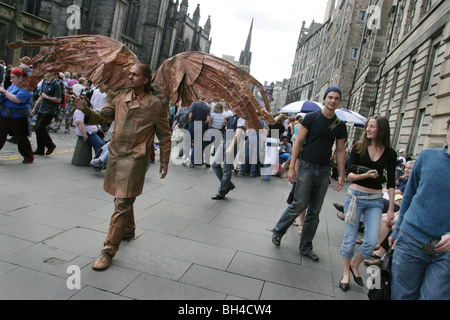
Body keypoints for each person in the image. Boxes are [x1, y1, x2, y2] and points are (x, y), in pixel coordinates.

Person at [72, 64, 172, 271]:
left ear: (145, 79)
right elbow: (101, 117)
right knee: (122, 198)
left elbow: (164, 134)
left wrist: (164, 160)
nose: (130, 77)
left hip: (136, 159)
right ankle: (128, 229)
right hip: (116, 156)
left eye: (135, 75)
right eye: (129, 74)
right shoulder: (121, 98)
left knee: (123, 201)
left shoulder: (156, 104)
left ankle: (108, 250)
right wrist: (85, 110)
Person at [271, 86, 347, 262]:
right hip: (306, 165)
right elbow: (298, 142)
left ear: (339, 101)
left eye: (336, 98)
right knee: (299, 204)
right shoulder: (311, 118)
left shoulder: (340, 125)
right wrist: (292, 167)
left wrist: (341, 173)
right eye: (330, 97)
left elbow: (341, 150)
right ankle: (278, 231)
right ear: (324, 99)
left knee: (315, 210)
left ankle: (306, 246)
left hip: (324, 169)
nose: (333, 101)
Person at [388, 119, 450, 300]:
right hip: (411, 239)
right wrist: (397, 231)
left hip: (445, 251)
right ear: (447, 130)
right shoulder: (427, 157)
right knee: (402, 295)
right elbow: (409, 196)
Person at [338, 116, 397, 291]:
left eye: (372, 127)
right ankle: (346, 273)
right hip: (355, 197)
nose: (368, 129)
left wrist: (392, 208)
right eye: (367, 126)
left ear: (381, 130)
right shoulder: (359, 147)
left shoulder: (390, 153)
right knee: (349, 238)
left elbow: (392, 182)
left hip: (375, 200)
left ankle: (355, 264)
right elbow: (349, 175)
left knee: (371, 241)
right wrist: (365, 175)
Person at [0, 67, 34, 163]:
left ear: (21, 77)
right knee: (1, 134)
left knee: (21, 137)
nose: (12, 79)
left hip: (18, 117)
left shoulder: (26, 88)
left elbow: (17, 100)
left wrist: (5, 92)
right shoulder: (13, 85)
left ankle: (28, 157)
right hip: (5, 114)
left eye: (13, 77)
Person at [211, 113, 243, 200]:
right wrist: (226, 120)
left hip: (231, 143)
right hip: (224, 140)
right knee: (215, 165)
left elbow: (238, 134)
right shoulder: (232, 115)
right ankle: (228, 184)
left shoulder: (242, 118)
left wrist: (231, 147)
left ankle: (222, 192)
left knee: (226, 169)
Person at [31, 72, 61, 156]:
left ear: (53, 73)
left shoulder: (56, 84)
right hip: (42, 109)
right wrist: (34, 108)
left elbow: (58, 99)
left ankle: (50, 145)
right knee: (38, 129)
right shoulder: (44, 82)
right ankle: (40, 149)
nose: (46, 73)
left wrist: (47, 97)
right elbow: (41, 96)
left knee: (40, 128)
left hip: (49, 110)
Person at [187, 98, 211, 167]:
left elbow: (190, 115)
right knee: (197, 144)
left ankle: (185, 158)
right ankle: (193, 161)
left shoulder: (194, 104)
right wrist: (203, 123)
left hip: (193, 123)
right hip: (201, 125)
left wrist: (190, 122)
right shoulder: (207, 107)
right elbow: (208, 119)